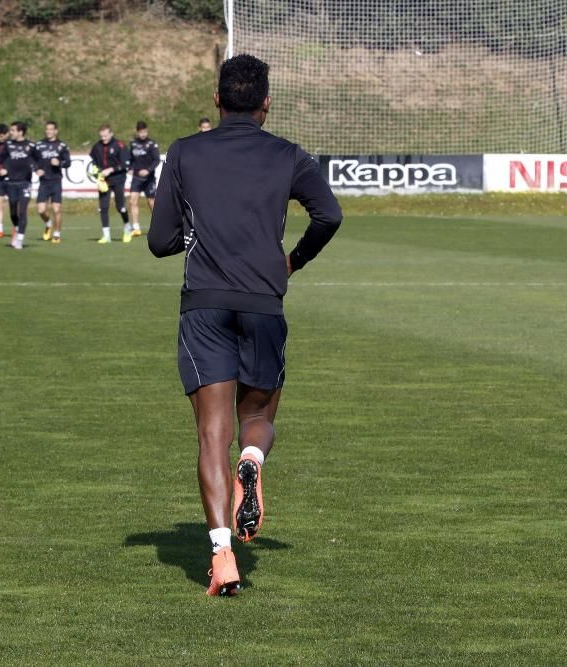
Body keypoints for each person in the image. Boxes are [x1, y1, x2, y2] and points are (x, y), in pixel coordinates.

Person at [147, 54, 343, 597]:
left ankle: (221, 554)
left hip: (205, 304)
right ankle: (252, 464)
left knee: (212, 434)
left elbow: (160, 241)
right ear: (266, 103)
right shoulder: (288, 155)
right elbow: (329, 214)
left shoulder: (186, 151)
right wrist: (294, 260)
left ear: (216, 101)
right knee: (256, 416)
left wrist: (191, 234)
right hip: (263, 301)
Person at [0, 121, 36, 250]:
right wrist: (0, 169)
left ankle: (20, 239)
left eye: (13, 130)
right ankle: (17, 229)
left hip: (25, 183)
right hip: (11, 183)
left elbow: (39, 160)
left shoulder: (31, 145)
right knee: (13, 212)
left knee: (22, 211)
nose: (10, 133)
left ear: (20, 132)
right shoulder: (8, 145)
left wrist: (37, 168)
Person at [89, 124, 130, 243]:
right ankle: (106, 236)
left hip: (118, 179)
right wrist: (97, 174)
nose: (104, 138)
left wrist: (111, 169)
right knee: (103, 208)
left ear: (111, 133)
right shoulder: (97, 147)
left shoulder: (119, 145)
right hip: (104, 181)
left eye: (106, 135)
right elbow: (94, 163)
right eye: (101, 136)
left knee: (120, 207)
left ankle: (127, 228)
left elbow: (125, 164)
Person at [34, 120, 71, 243]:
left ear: (56, 131)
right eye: (47, 129)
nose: (48, 131)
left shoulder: (62, 146)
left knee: (56, 209)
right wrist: (37, 169)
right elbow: (32, 161)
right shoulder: (39, 145)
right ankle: (48, 223)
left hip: (56, 181)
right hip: (44, 182)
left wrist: (59, 163)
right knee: (41, 210)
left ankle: (56, 234)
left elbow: (68, 162)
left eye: (51, 129)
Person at [127, 120, 160, 238]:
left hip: (149, 179)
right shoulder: (133, 144)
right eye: (141, 132)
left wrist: (148, 170)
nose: (143, 134)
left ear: (147, 131)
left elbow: (157, 160)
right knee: (132, 201)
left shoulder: (152, 144)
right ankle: (136, 228)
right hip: (136, 178)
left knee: (151, 203)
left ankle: (158, 227)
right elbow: (130, 159)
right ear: (137, 132)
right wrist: (130, 168)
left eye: (144, 132)